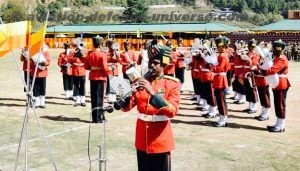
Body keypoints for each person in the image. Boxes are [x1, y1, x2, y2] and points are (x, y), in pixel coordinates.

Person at [117, 40, 181, 171]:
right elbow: (127, 108)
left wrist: (151, 92)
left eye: (156, 63)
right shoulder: (141, 82)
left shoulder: (171, 84)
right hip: (142, 138)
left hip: (160, 139)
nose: (151, 66)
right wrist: (123, 94)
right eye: (150, 62)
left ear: (164, 64)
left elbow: (172, 111)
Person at [261, 39, 291, 132]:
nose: (274, 51)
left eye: (276, 50)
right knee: (277, 104)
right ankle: (278, 123)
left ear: (281, 49)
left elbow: (273, 70)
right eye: (274, 49)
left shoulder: (282, 58)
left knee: (280, 104)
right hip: (276, 82)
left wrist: (262, 71)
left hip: (281, 83)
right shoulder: (277, 58)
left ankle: (281, 125)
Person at [85, 36, 111, 123]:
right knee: (100, 98)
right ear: (100, 44)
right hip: (101, 77)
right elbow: (105, 67)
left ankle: (94, 117)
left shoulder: (89, 54)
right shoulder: (102, 54)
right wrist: (110, 70)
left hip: (92, 76)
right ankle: (98, 118)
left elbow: (86, 66)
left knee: (94, 98)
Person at [211, 36, 230, 127]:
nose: (218, 48)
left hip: (220, 79)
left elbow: (219, 68)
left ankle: (223, 118)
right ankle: (222, 117)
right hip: (218, 79)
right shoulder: (221, 55)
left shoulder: (223, 56)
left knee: (221, 100)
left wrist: (211, 67)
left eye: (220, 46)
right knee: (219, 99)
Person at [31, 44, 51, 108]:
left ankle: (42, 102)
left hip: (43, 72)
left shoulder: (45, 52)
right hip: (35, 72)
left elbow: (48, 61)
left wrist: (44, 63)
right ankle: (37, 102)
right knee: (35, 88)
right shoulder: (33, 52)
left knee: (42, 87)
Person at [69, 38, 87, 107]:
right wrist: (75, 55)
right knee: (76, 86)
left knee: (82, 86)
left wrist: (82, 55)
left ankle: (83, 100)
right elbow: (70, 60)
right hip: (75, 70)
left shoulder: (85, 51)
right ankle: (77, 100)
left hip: (82, 70)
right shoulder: (72, 51)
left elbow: (87, 60)